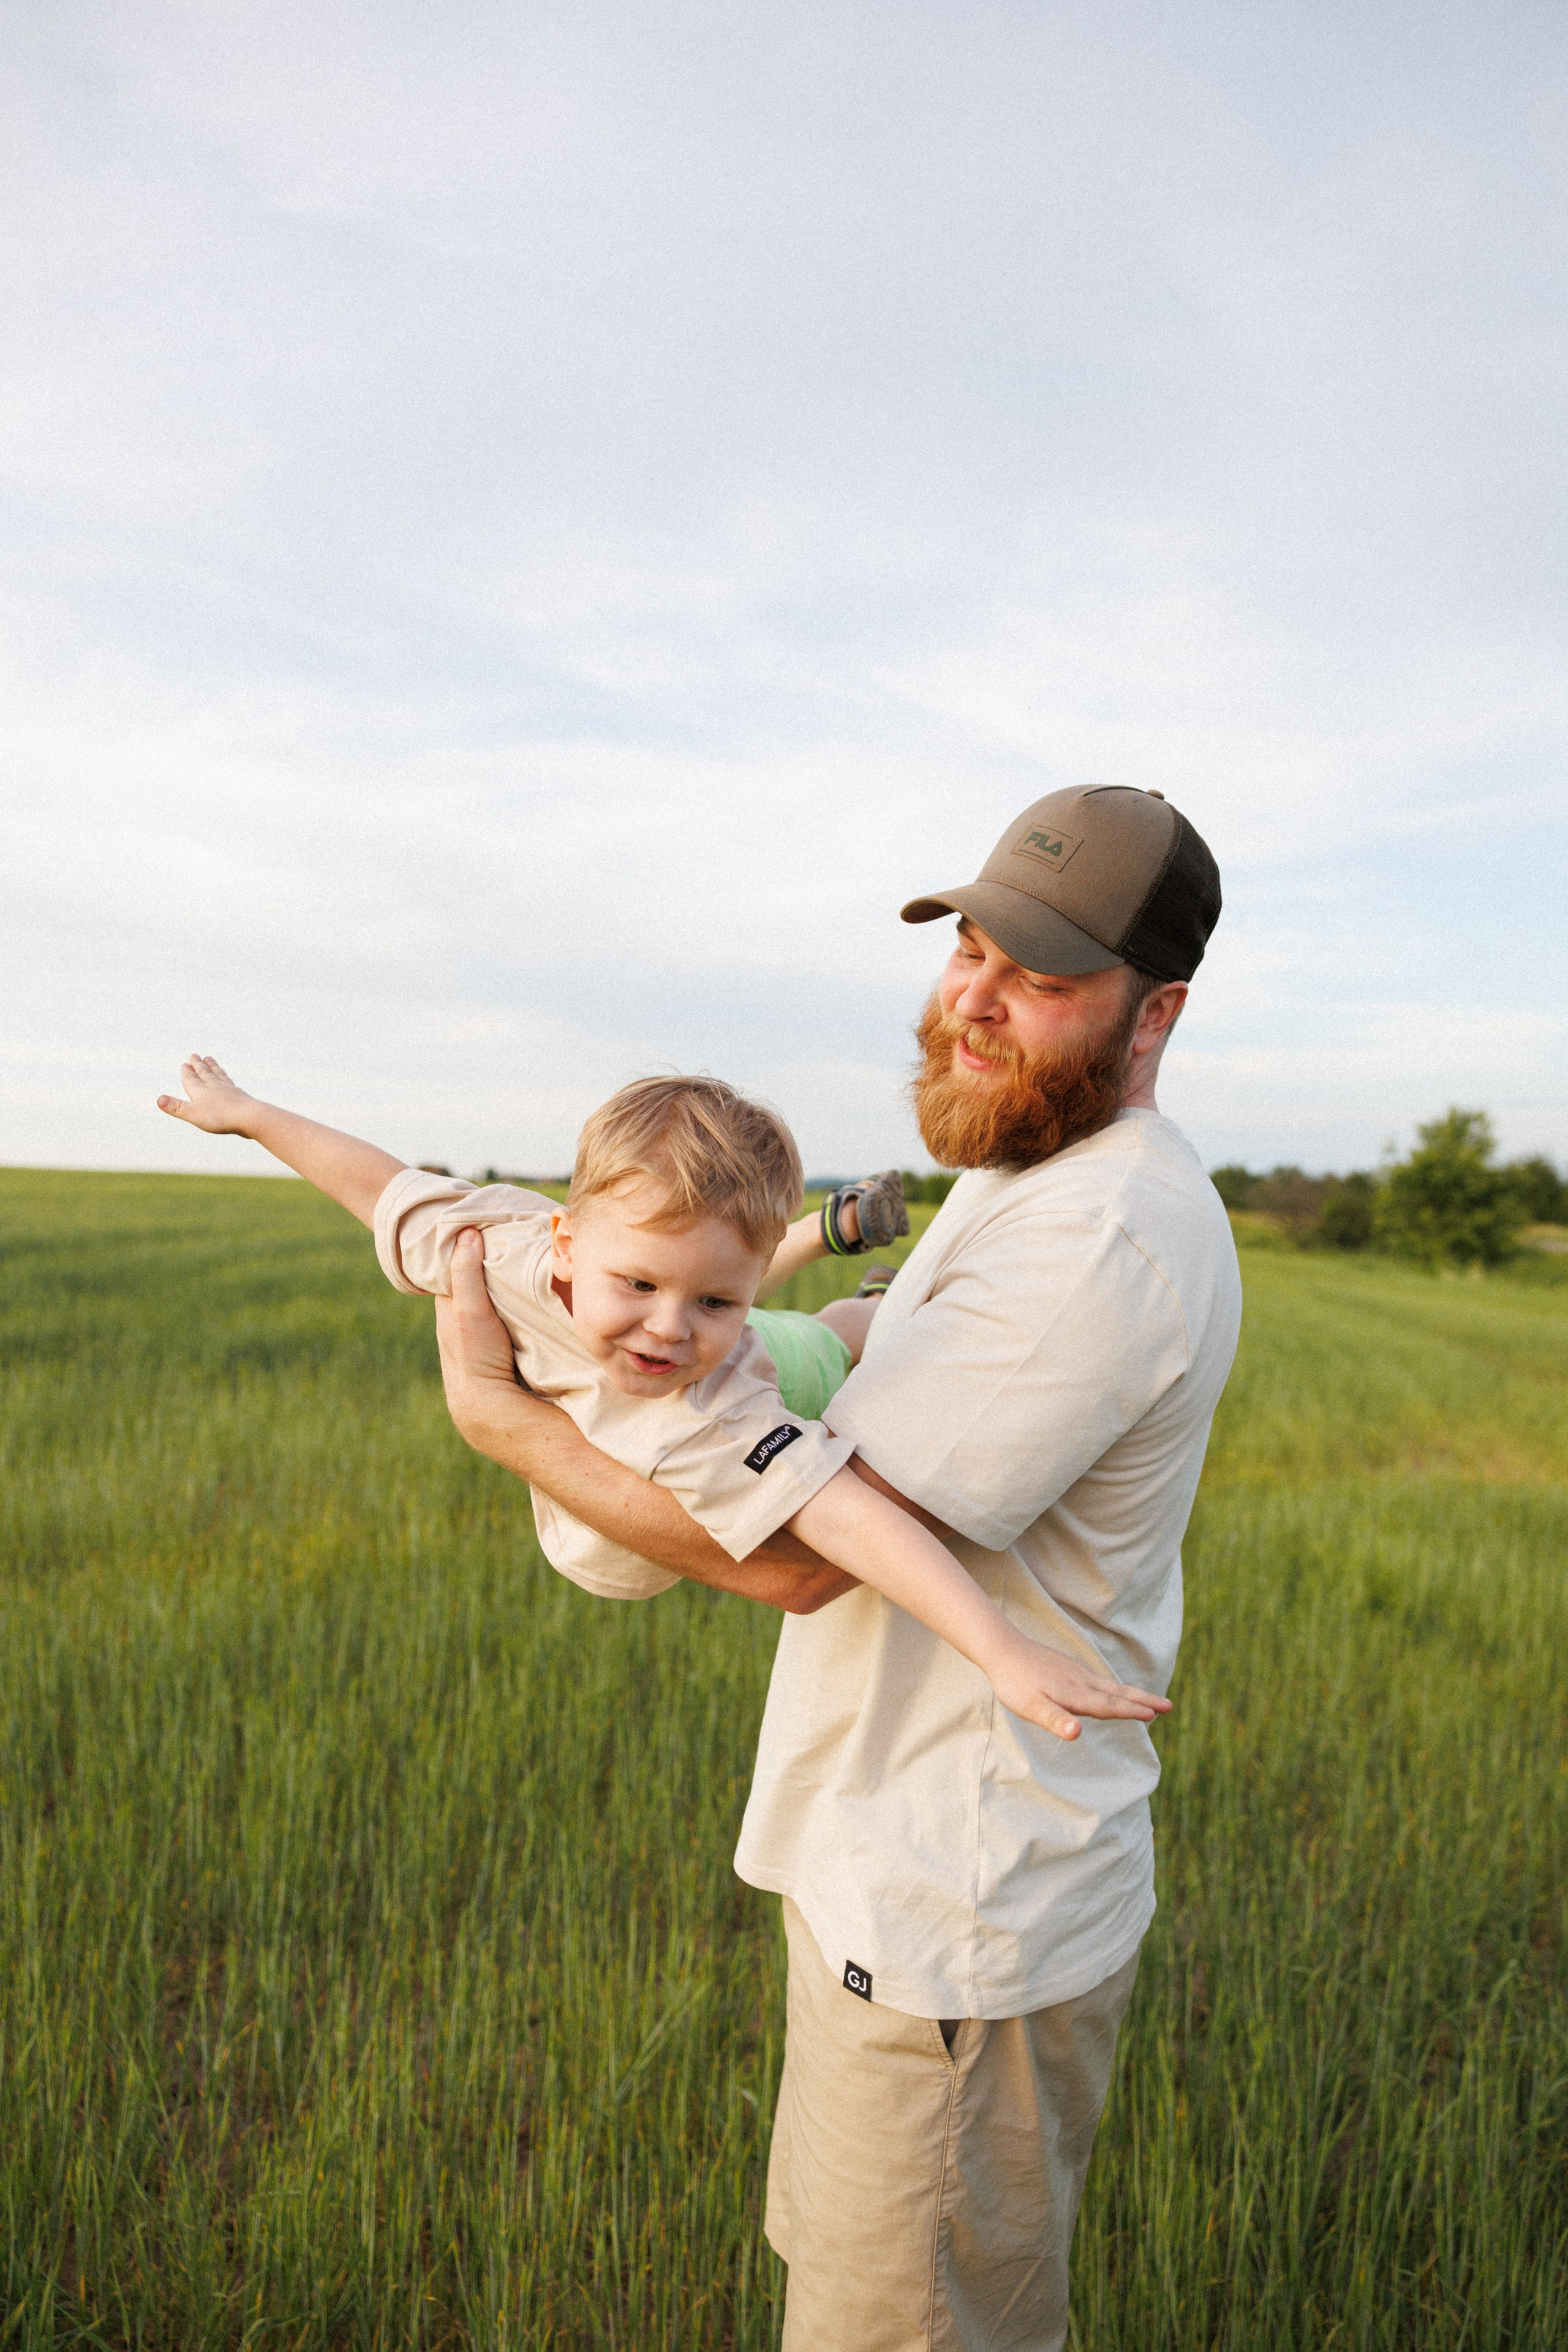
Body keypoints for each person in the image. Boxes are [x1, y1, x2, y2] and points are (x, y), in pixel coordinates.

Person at [431, 781, 1242, 2352]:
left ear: (1157, 1015)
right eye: (970, 952)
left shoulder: (1099, 1233)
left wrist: (504, 1421)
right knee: (865, 2298)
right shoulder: (1025, 1170)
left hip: (957, 1909)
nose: (976, 1005)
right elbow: (846, 1376)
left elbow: (806, 1556)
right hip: (892, 1877)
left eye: (1043, 981)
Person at [156, 1058, 1171, 1741]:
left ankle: (880, 1306)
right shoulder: (498, 1250)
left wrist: (998, 1650)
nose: (668, 1329)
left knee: (836, 1347)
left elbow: (846, 1519)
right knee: (790, 1336)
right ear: (563, 1241)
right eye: (637, 1284)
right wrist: (249, 1116)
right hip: (694, 1402)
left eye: (711, 1297)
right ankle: (842, 1265)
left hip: (772, 1394)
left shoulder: (715, 1405)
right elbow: (381, 1186)